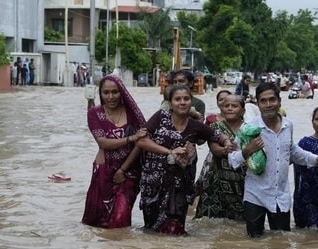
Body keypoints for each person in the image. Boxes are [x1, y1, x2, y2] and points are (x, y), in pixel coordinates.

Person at [228, 83, 318, 238]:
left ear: (279, 101)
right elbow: (232, 160)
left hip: (280, 196)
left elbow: (293, 152)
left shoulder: (288, 125)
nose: (268, 105)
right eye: (263, 101)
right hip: (255, 195)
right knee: (253, 244)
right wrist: (248, 149)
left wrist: (316, 159)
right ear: (258, 103)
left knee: (281, 242)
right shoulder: (248, 129)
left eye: (272, 100)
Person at [137, 84, 234, 235]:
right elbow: (141, 140)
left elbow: (217, 135)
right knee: (151, 230)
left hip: (180, 186)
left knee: (175, 231)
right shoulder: (160, 117)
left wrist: (227, 142)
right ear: (170, 102)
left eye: (186, 99)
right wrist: (170, 151)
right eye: (177, 99)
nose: (182, 102)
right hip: (154, 183)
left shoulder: (195, 126)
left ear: (191, 102)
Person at [82, 74, 148, 228]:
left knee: (121, 218)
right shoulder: (94, 113)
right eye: (106, 93)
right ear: (100, 93)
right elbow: (103, 143)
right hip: (103, 171)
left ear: (122, 92)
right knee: (97, 221)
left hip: (129, 172)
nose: (111, 97)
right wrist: (130, 139)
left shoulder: (132, 113)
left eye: (115, 92)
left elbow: (143, 141)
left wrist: (123, 170)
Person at [195, 94, 247, 221]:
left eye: (234, 106)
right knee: (208, 223)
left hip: (241, 182)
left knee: (239, 224)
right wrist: (224, 150)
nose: (229, 108)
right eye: (226, 106)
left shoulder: (249, 129)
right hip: (216, 181)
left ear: (242, 110)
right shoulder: (215, 127)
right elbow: (214, 148)